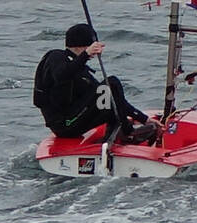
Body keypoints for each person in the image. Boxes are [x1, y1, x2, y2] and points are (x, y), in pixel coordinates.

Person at [33, 22, 162, 144]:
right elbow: (61, 75)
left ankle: (119, 131)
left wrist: (143, 119)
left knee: (110, 87)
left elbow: (114, 97)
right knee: (110, 83)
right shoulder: (56, 57)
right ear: (81, 45)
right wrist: (85, 54)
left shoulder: (81, 69)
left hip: (77, 121)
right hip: (64, 124)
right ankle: (127, 131)